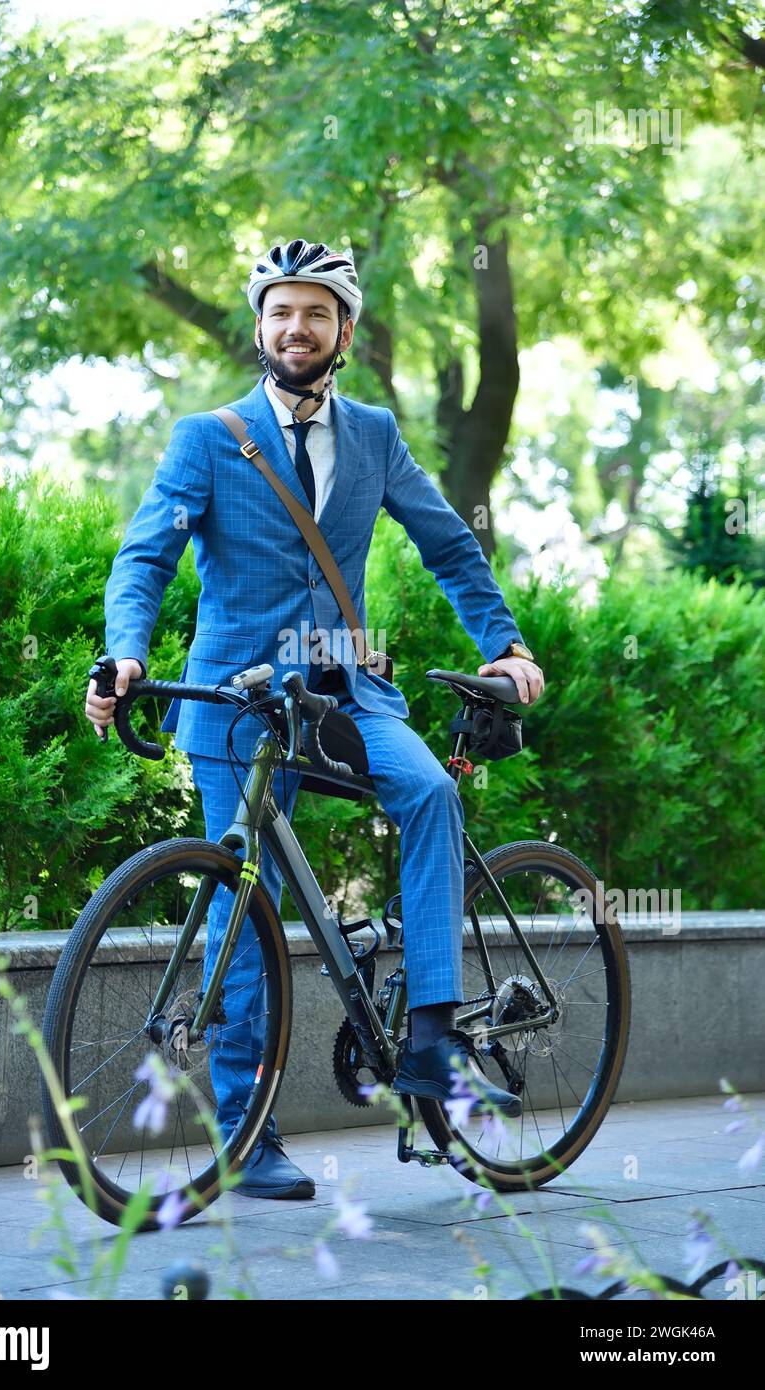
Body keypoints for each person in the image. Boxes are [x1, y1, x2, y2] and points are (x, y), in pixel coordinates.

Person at [86, 238, 544, 1200]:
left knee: (425, 793)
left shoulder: (374, 433)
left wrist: (506, 643)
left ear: (344, 330)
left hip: (343, 690)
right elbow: (145, 558)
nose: (297, 328)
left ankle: (429, 1037)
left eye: (317, 312)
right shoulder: (206, 438)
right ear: (260, 326)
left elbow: (449, 545)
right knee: (241, 912)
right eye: (281, 311)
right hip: (238, 702)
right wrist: (126, 650)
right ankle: (246, 1135)